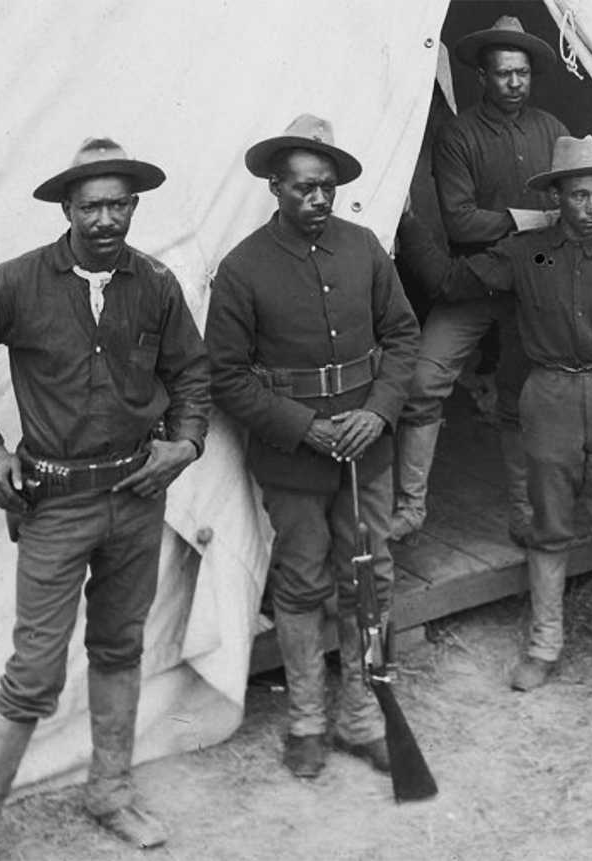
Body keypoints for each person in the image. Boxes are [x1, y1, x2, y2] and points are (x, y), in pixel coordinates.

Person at [0, 138, 208, 857]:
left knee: (119, 645)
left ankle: (110, 790)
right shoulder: (17, 283)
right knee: (35, 669)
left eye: (119, 204)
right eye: (92, 205)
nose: (106, 218)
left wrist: (185, 442)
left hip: (137, 495)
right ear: (67, 209)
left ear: (135, 206)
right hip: (55, 504)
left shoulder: (155, 283)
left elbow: (193, 373)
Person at [404, 136, 592, 705]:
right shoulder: (524, 253)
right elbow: (448, 282)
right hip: (548, 398)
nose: (589, 205)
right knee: (548, 526)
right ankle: (543, 647)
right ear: (556, 198)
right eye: (578, 194)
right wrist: (408, 222)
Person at [204, 115, 421, 779]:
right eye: (303, 188)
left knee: (370, 579)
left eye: (326, 187)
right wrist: (302, 426)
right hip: (293, 457)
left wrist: (379, 412)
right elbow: (225, 374)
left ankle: (359, 715)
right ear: (275, 187)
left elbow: (405, 338)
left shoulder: (364, 250)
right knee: (300, 583)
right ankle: (305, 717)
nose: (318, 199)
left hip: (366, 451)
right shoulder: (242, 269)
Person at [391, 15, 592, 545]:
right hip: (476, 277)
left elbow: (580, 192)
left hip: (537, 279)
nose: (514, 83)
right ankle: (411, 507)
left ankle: (522, 514)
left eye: (522, 73)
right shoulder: (459, 135)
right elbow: (461, 220)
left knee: (517, 398)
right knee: (423, 381)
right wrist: (534, 218)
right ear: (481, 77)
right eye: (503, 73)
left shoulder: (551, 128)